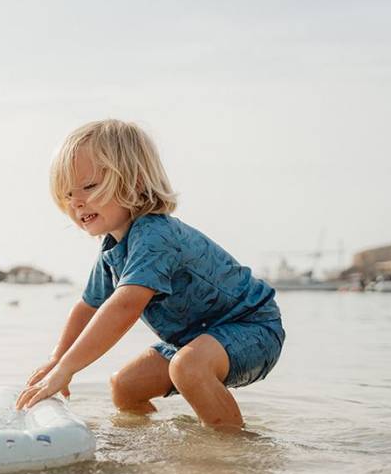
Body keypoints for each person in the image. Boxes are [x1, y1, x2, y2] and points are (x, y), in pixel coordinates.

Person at [14, 119, 285, 430]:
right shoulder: (112, 249)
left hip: (251, 327)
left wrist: (67, 369)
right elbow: (88, 307)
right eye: (67, 194)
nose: (77, 202)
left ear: (136, 182)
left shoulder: (155, 235)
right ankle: (155, 444)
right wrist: (56, 360)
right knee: (125, 386)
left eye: (89, 186)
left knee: (188, 368)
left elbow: (125, 305)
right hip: (192, 340)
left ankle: (231, 454)